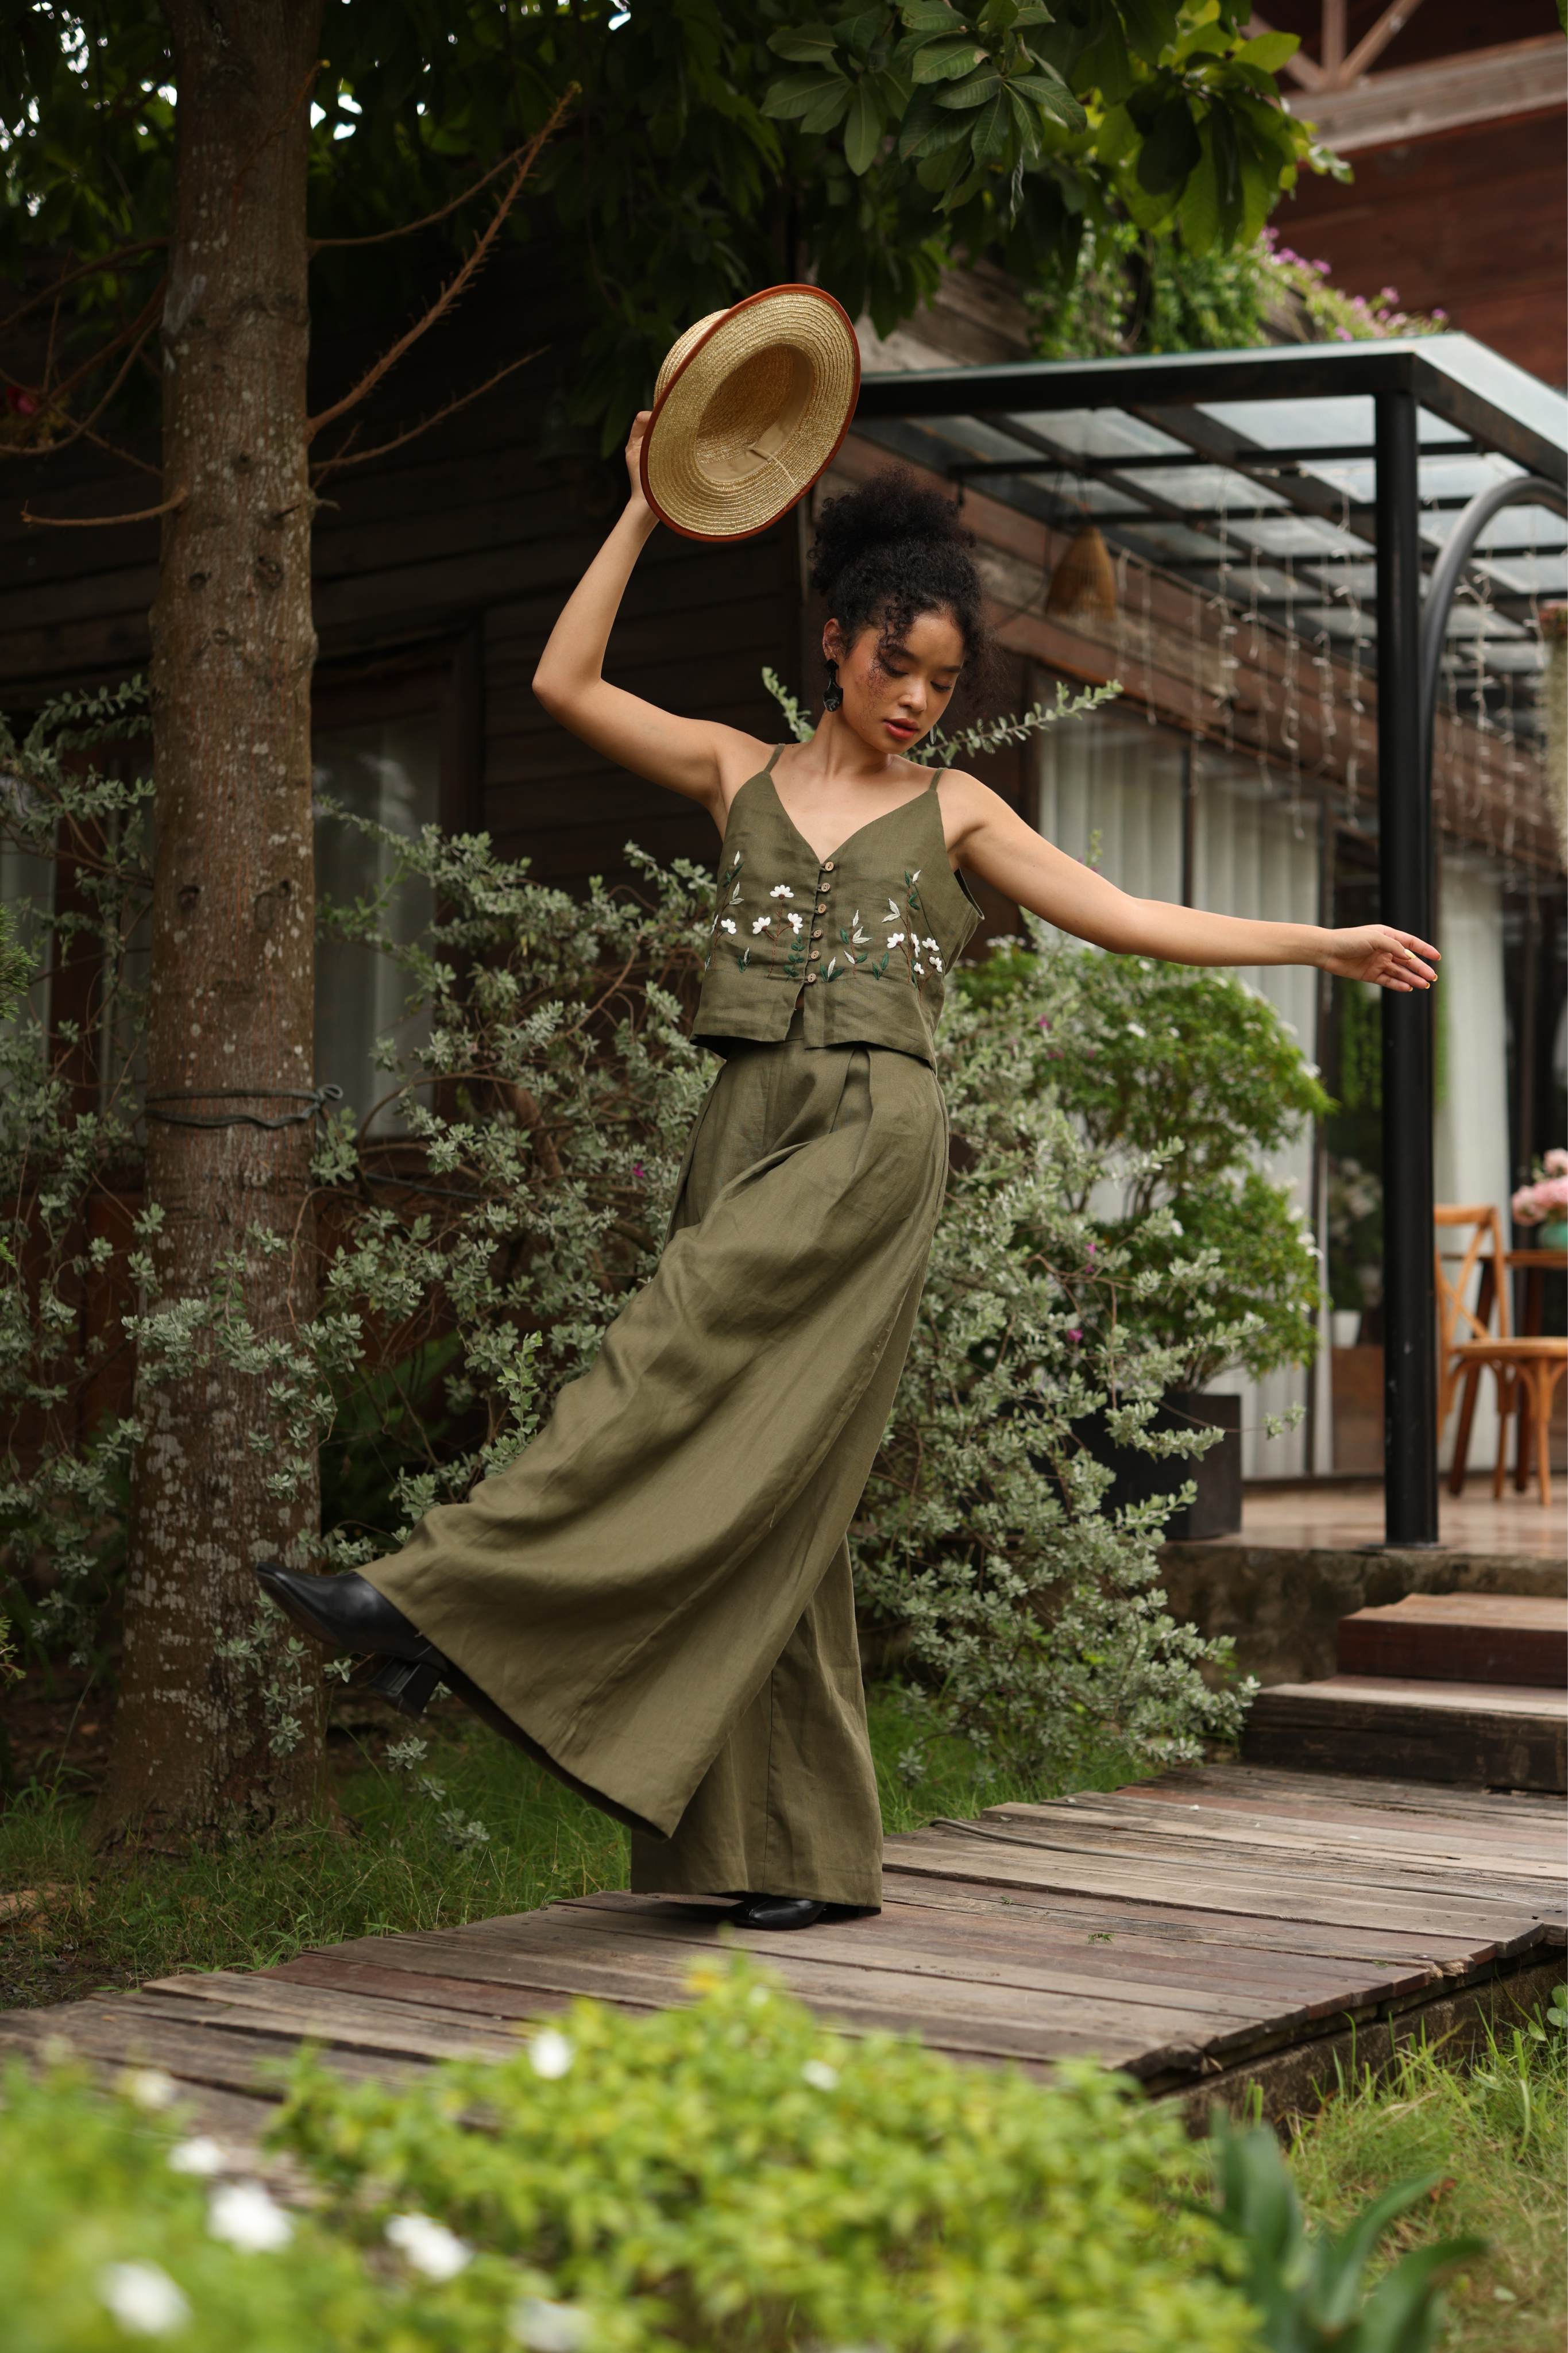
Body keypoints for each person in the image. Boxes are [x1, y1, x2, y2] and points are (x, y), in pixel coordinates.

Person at [260, 440, 1437, 1931]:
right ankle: (791, 1857)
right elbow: (563, 684)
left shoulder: (954, 810)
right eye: (898, 665)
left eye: (941, 684)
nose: (914, 701)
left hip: (874, 1133)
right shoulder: (731, 767)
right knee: (780, 1486)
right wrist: (638, 504)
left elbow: (1127, 915)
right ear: (836, 638)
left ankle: (429, 1602)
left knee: (666, 1344)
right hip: (742, 1119)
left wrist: (1319, 946)